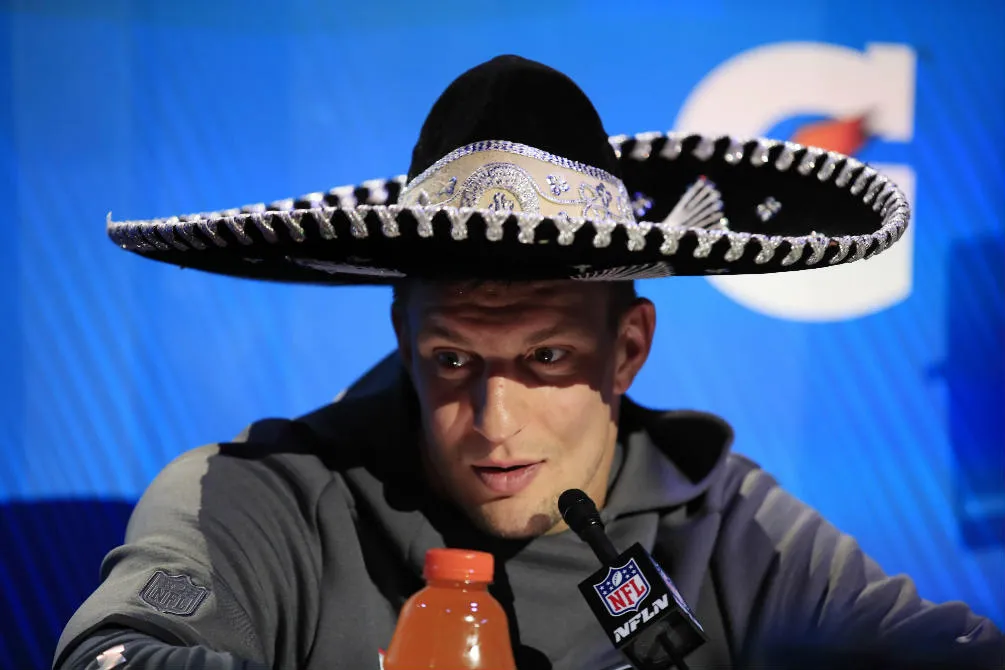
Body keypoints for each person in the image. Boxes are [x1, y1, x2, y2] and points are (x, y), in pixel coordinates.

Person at [55, 56, 1001, 670]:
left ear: (626, 349)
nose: (494, 421)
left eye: (544, 355)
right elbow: (113, 657)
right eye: (454, 357)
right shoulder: (259, 497)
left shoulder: (725, 520)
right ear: (403, 338)